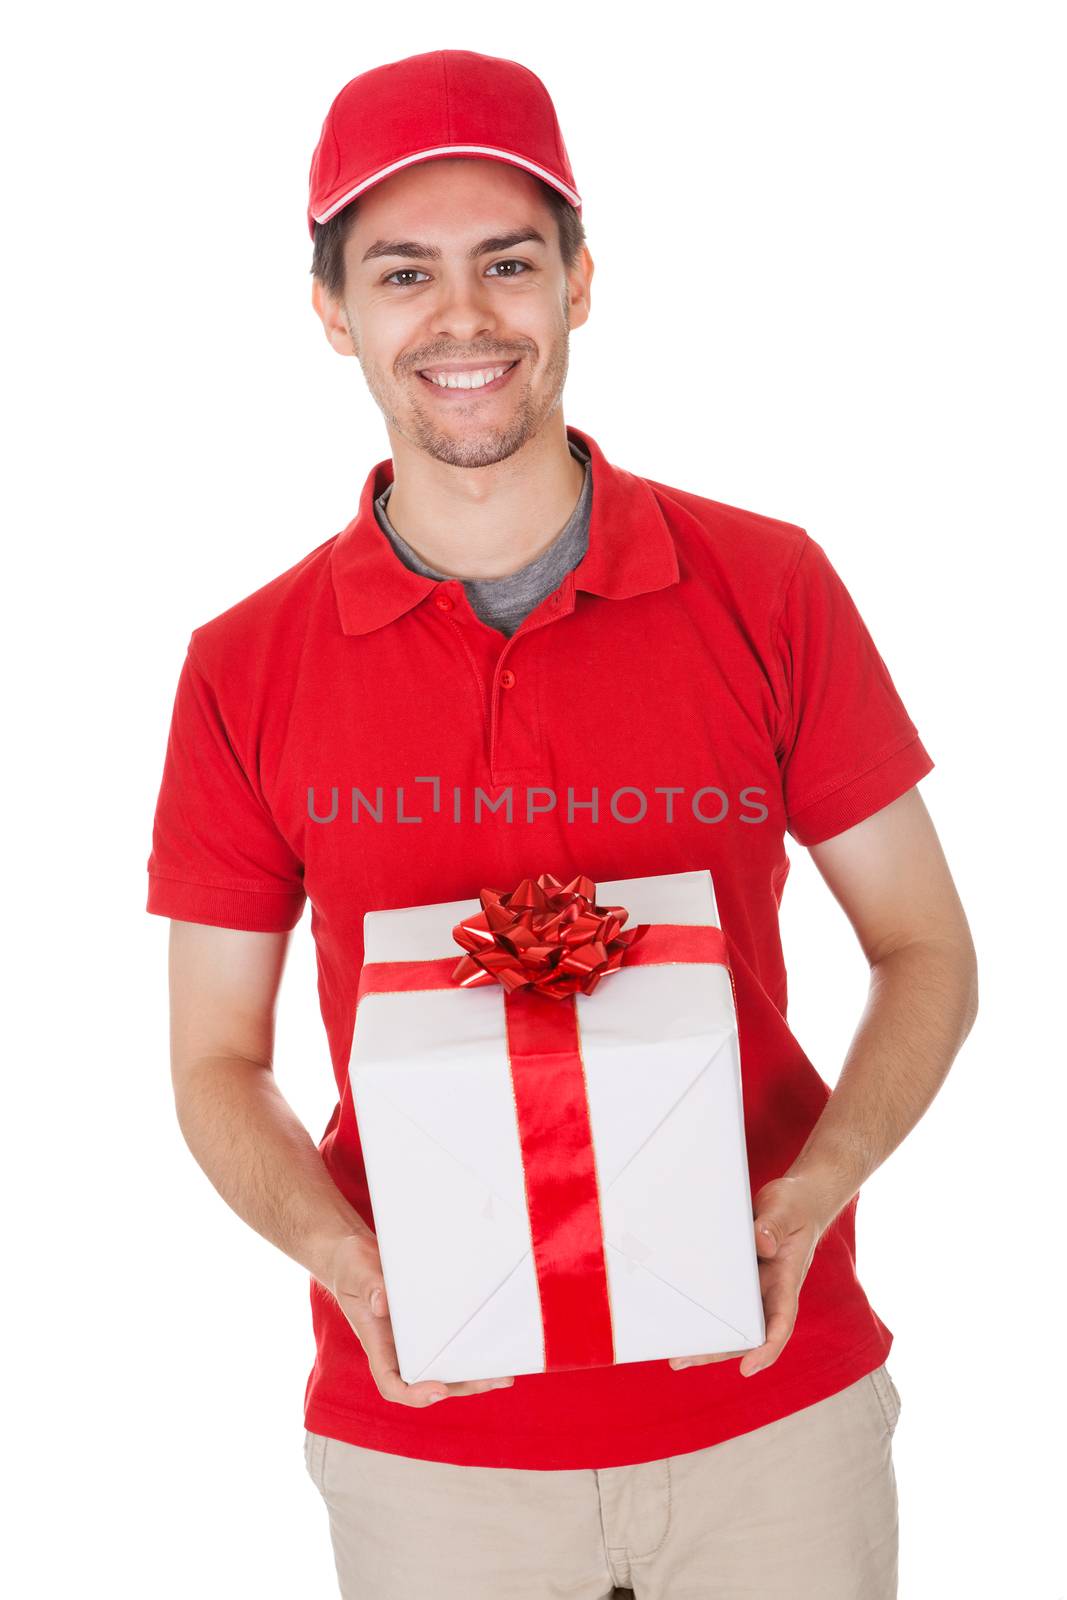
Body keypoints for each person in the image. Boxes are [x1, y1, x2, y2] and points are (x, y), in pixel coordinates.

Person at [145, 48, 978, 1600]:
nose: (462, 319)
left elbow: (925, 943)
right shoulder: (243, 667)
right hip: (432, 1451)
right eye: (403, 272)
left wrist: (824, 1180)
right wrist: (345, 1261)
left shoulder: (767, 586)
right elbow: (213, 1058)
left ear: (579, 284)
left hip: (769, 1419)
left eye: (507, 263)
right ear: (334, 311)